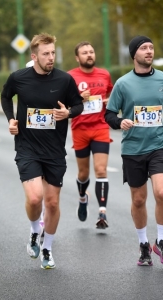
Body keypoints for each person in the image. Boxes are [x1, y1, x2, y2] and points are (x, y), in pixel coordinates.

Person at [1, 33, 83, 269]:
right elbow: (6, 97)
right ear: (34, 56)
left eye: (53, 53)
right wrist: (11, 120)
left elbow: (78, 104)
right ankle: (34, 230)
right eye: (46, 54)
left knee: (53, 204)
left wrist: (68, 113)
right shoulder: (19, 78)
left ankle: (47, 249)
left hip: (55, 150)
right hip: (27, 147)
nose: (50, 58)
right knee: (36, 198)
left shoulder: (64, 80)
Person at [105, 35, 163, 266]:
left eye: (151, 47)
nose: (149, 51)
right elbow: (109, 114)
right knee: (139, 200)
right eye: (143, 48)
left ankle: (160, 240)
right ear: (134, 54)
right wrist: (120, 122)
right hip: (133, 148)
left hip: (159, 145)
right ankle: (143, 244)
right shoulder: (123, 83)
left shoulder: (162, 79)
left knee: (161, 193)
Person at [68, 42, 113, 229]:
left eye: (91, 52)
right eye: (84, 53)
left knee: (101, 170)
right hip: (80, 129)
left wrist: (108, 101)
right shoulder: (70, 77)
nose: (89, 55)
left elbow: (112, 95)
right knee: (83, 173)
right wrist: (79, 99)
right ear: (78, 58)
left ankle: (102, 212)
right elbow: (64, 102)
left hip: (100, 127)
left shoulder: (104, 74)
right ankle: (82, 197)